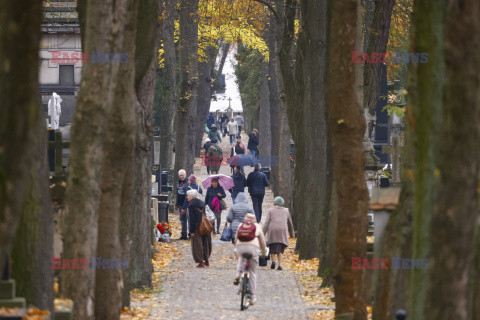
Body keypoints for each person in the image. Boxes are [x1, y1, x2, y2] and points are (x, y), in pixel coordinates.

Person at [233, 213, 267, 306]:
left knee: (241, 258)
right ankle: (252, 297)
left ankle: (238, 274)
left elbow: (235, 239)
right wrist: (263, 253)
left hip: (241, 247)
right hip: (253, 248)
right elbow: (263, 242)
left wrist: (237, 247)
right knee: (252, 272)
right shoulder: (257, 226)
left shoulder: (241, 225)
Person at [262, 197, 294, 270]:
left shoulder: (271, 210)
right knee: (280, 249)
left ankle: (273, 261)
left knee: (272, 247)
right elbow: (290, 223)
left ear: (275, 203)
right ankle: (280, 265)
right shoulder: (286, 211)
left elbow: (266, 223)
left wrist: (262, 233)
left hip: (273, 230)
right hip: (282, 231)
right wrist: (292, 234)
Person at [187, 189, 212, 268]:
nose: (187, 197)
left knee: (197, 245)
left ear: (192, 196)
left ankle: (200, 261)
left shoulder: (191, 205)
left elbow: (192, 219)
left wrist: (191, 231)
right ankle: (206, 260)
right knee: (205, 242)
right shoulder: (202, 203)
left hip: (197, 227)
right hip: (205, 226)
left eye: (188, 195)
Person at [175, 169, 189, 240]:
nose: (181, 177)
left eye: (182, 175)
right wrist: (176, 204)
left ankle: (190, 234)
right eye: (180, 175)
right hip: (180, 204)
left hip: (187, 204)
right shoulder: (178, 183)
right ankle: (183, 234)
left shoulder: (188, 183)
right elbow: (177, 194)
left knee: (188, 219)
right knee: (182, 220)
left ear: (185, 175)